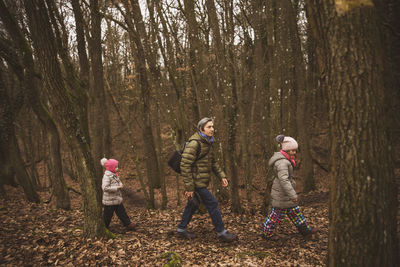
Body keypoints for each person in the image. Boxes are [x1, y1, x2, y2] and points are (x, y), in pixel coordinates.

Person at [177, 117, 237, 242]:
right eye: (209, 127)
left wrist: (222, 176)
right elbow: (185, 164)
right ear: (201, 129)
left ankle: (181, 229)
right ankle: (222, 233)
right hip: (196, 182)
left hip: (200, 181)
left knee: (193, 205)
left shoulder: (208, 143)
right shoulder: (195, 143)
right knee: (213, 203)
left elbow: (213, 162)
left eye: (213, 126)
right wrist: (189, 187)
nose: (212, 129)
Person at [261, 135, 317, 240]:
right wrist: (292, 194)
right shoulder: (282, 162)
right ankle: (266, 233)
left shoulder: (286, 160)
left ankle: (305, 230)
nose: (294, 153)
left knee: (295, 212)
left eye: (295, 150)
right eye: (292, 151)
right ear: (286, 150)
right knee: (276, 216)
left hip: (285, 193)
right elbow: (284, 180)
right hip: (282, 194)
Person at [100, 158, 135, 231]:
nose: (117, 168)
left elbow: (119, 182)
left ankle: (128, 224)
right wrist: (117, 187)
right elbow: (105, 188)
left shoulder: (114, 175)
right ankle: (104, 226)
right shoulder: (107, 176)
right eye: (116, 167)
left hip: (116, 199)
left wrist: (120, 185)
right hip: (109, 200)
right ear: (111, 168)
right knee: (107, 215)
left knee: (122, 212)